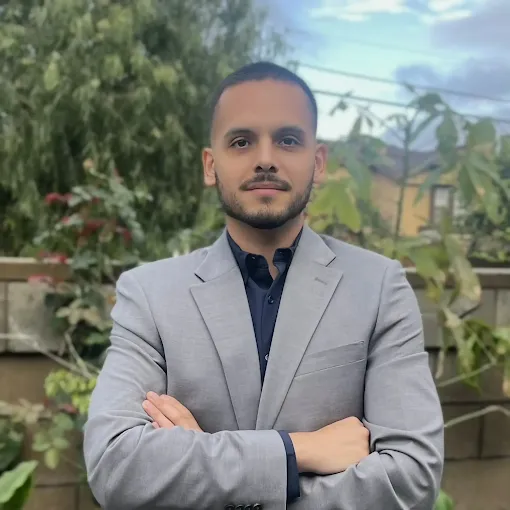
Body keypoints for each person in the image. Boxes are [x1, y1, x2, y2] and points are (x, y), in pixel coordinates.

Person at [83, 61, 444, 510]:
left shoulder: (379, 287)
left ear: (318, 162)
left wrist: (207, 470)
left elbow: (412, 478)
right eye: (241, 141)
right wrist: (299, 451)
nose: (266, 158)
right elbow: (116, 466)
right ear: (211, 165)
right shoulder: (149, 295)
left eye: (288, 140)